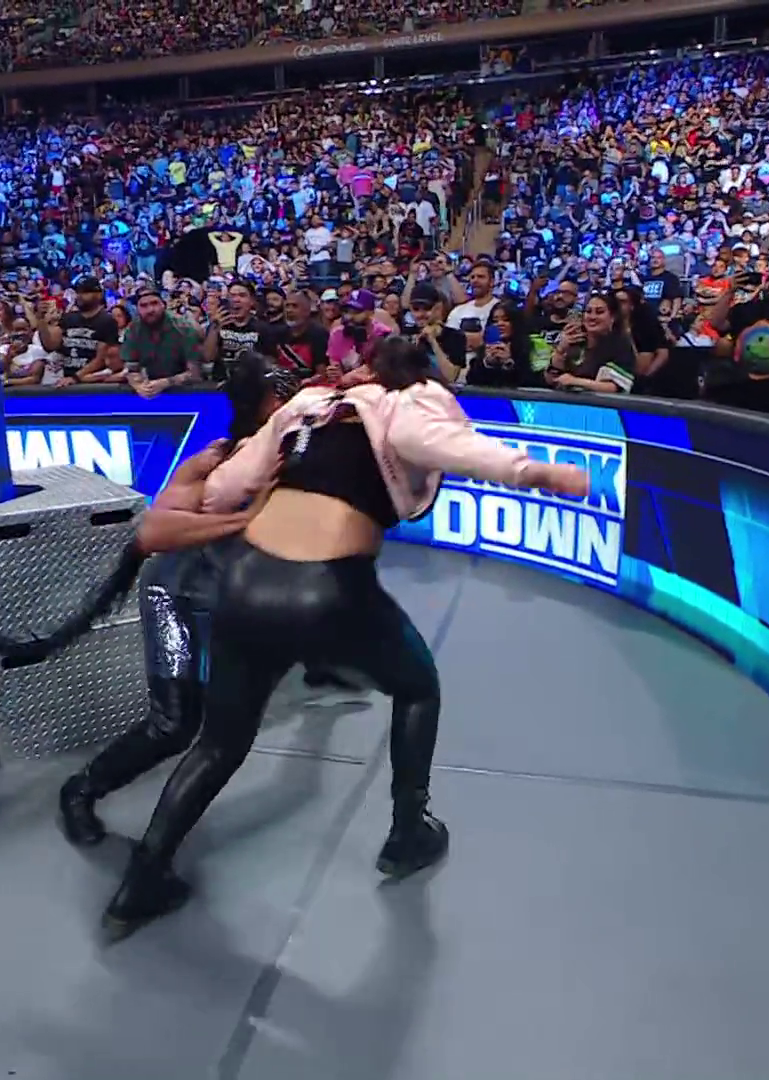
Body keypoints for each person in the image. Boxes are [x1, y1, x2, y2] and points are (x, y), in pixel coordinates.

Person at [100, 337, 591, 940]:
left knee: (220, 743)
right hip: (323, 587)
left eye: (361, 362)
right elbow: (447, 444)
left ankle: (143, 878)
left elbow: (224, 488)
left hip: (246, 581)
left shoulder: (309, 408)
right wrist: (534, 471)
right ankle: (408, 832)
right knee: (418, 687)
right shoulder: (397, 400)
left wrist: (242, 480)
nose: (351, 368)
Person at [57, 357, 303, 847]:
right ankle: (81, 790)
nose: (289, 403)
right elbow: (153, 531)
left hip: (230, 603)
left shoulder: (292, 457)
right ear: (263, 403)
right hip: (178, 596)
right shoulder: (216, 461)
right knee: (175, 725)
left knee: (227, 726)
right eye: (279, 394)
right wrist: (241, 520)